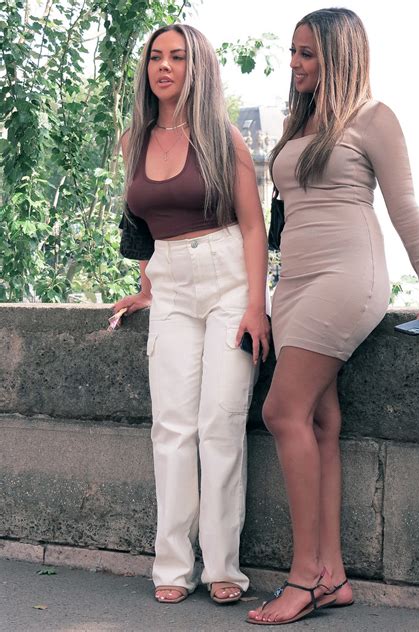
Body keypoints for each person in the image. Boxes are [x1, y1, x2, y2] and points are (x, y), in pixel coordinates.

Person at [247, 8, 419, 626]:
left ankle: (303, 575)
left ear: (341, 55)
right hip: (298, 279)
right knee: (319, 420)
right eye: (293, 51)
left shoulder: (374, 118)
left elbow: (405, 205)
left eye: (307, 53)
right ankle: (333, 575)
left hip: (347, 275)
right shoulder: (301, 120)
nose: (294, 63)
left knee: (280, 411)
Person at [113, 23, 270, 605]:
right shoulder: (134, 138)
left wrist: (257, 305)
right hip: (173, 285)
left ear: (196, 68)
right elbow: (147, 230)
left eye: (177, 57)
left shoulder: (221, 137)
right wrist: (147, 286)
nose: (164, 66)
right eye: (156, 56)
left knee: (220, 423)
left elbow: (253, 226)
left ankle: (223, 566)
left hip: (230, 278)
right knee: (172, 427)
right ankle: (172, 567)